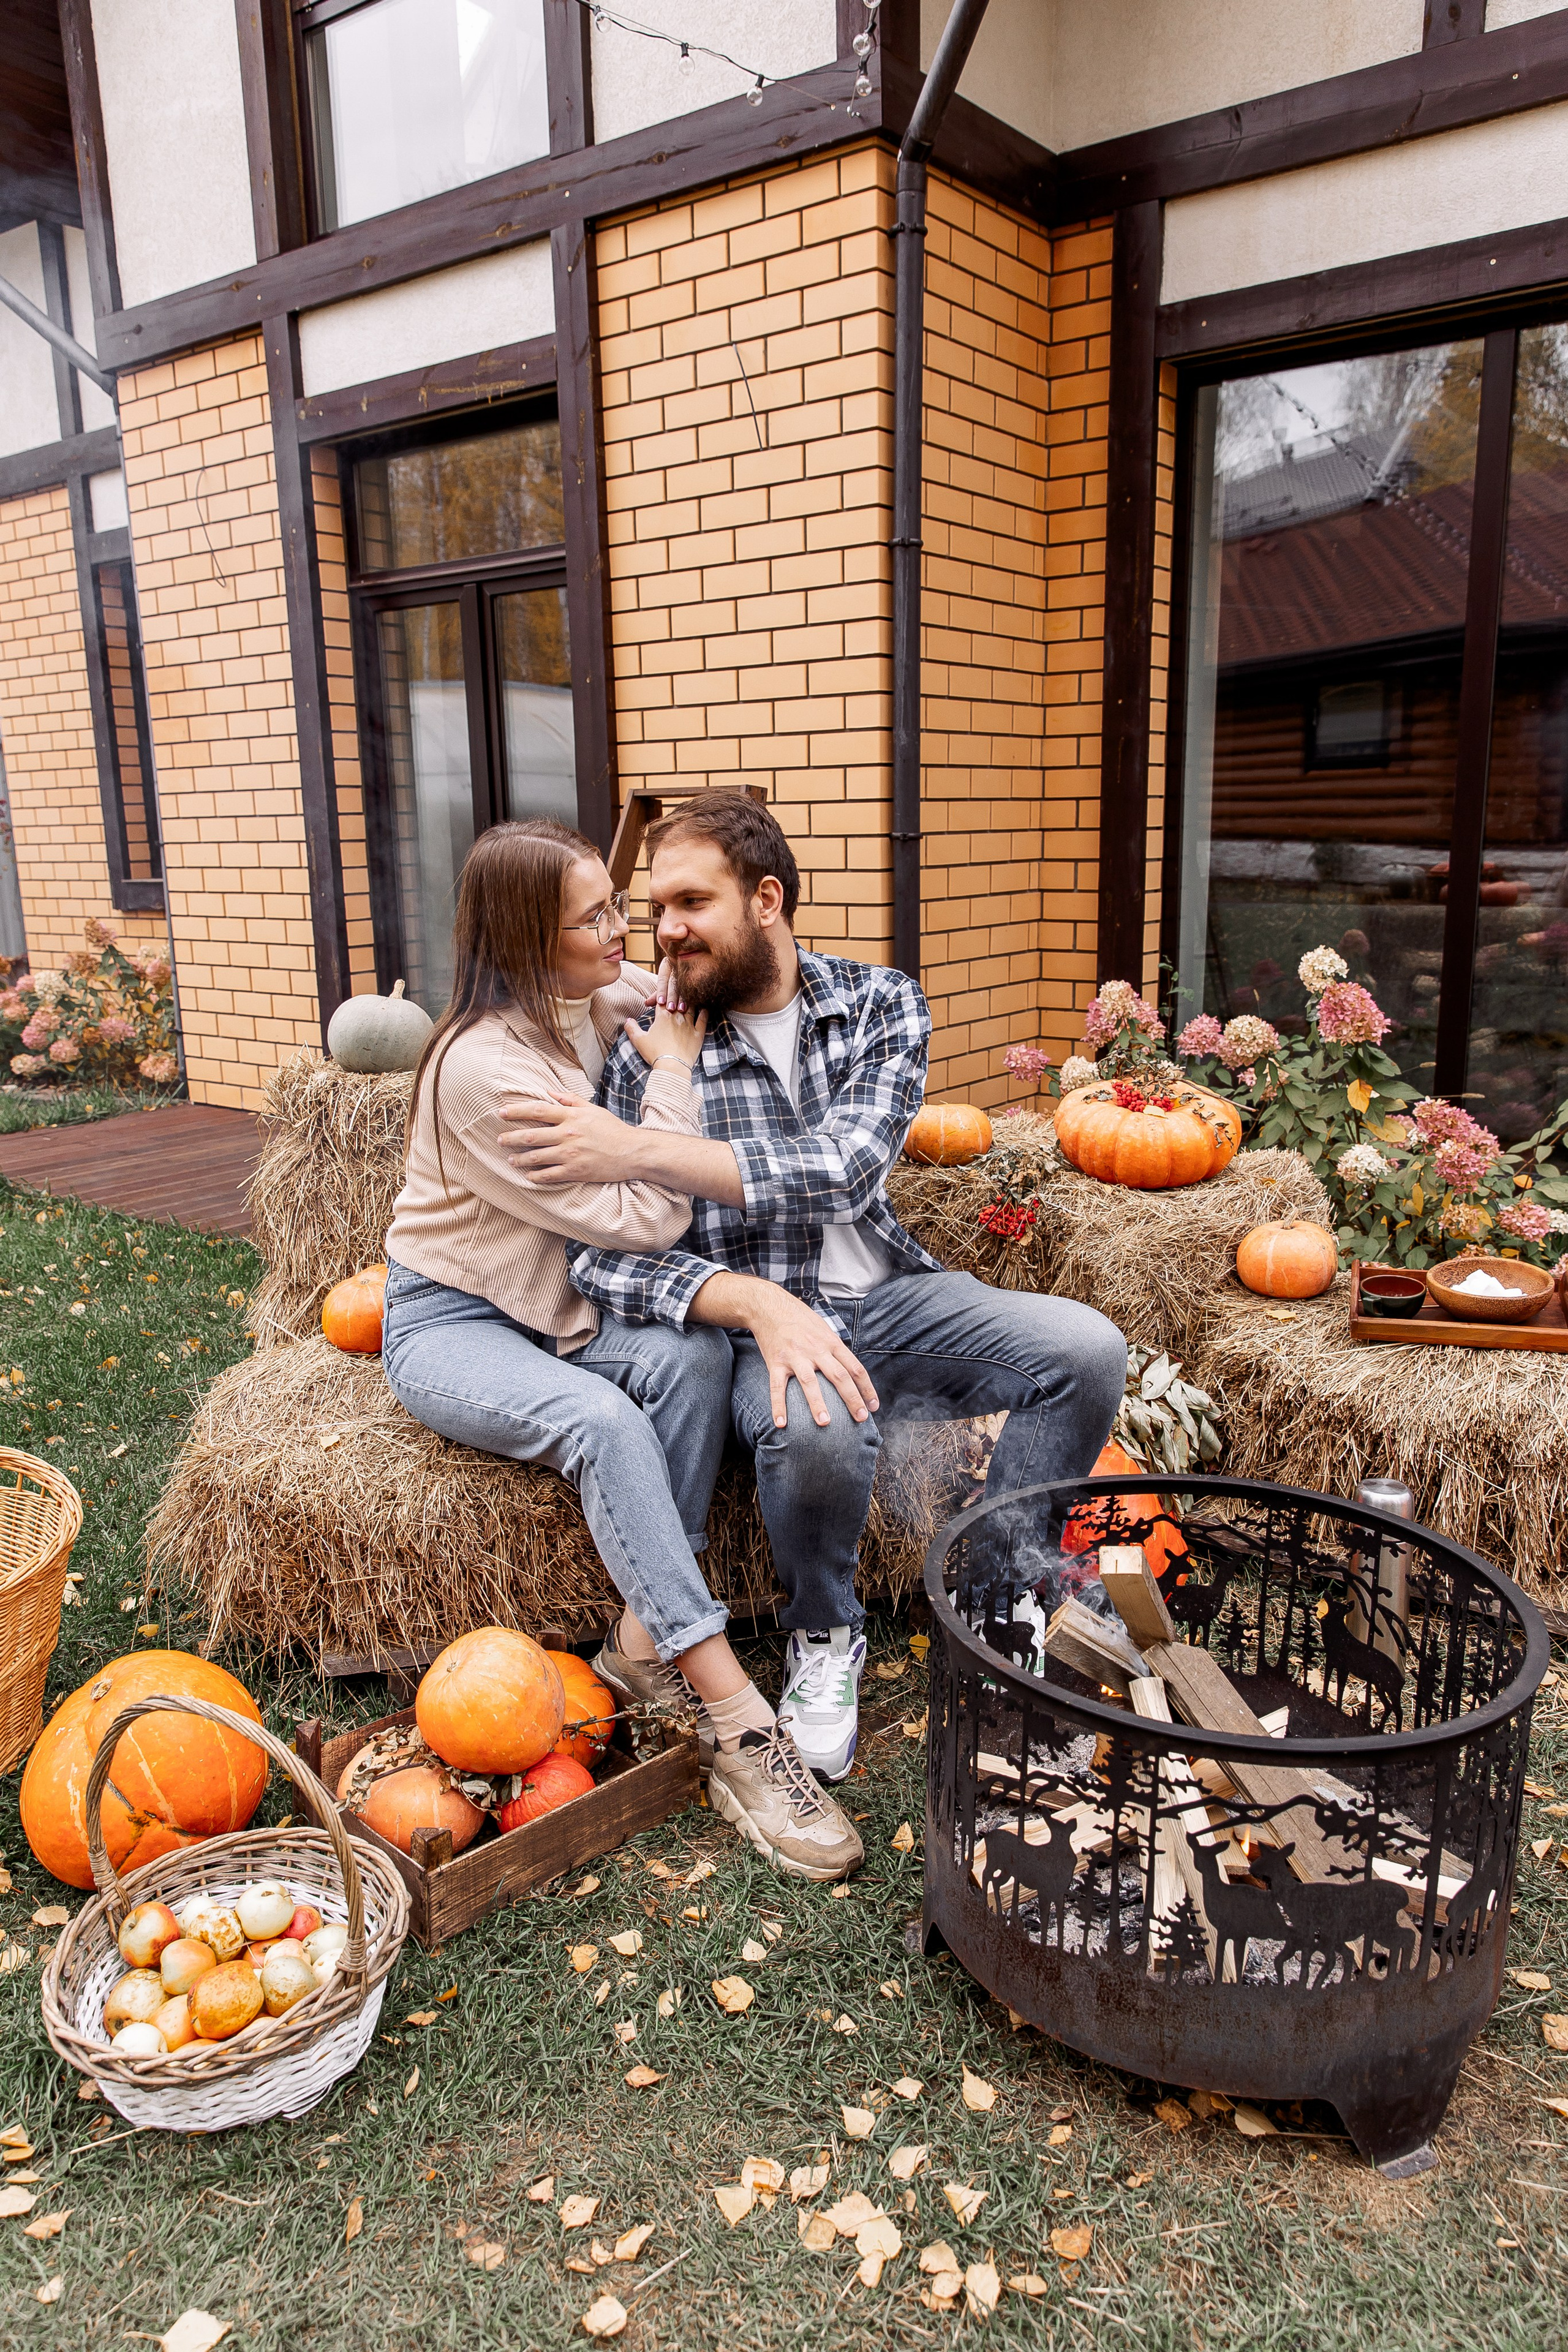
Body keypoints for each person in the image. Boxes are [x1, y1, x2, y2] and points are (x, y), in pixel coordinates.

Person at [500, 796, 1128, 1781]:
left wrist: (646, 1148)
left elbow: (844, 1171)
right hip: (754, 1325)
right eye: (655, 906)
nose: (663, 930)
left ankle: (1000, 1596)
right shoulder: (647, 1044)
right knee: (819, 1429)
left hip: (890, 1299)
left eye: (690, 902)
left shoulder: (881, 1004)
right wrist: (741, 1297)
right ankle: (826, 1635)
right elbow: (598, 1255)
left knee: (1087, 1350)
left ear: (767, 899)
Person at [380, 816, 863, 1882]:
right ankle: (736, 1719)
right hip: (456, 1322)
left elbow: (683, 988)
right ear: (522, 942)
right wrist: (678, 1070)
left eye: (616, 902)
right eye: (593, 917)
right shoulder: (483, 1073)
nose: (626, 928)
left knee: (688, 1361)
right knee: (599, 1421)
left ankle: (636, 1654)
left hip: (565, 1312)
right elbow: (650, 1219)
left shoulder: (581, 1008)